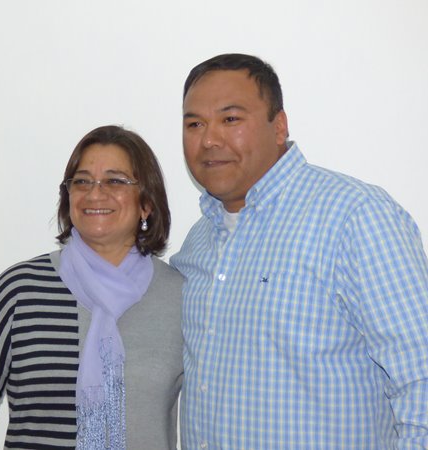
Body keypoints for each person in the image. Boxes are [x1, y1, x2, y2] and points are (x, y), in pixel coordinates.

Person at [171, 53, 428, 449]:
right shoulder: (197, 243)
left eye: (231, 119)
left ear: (279, 127)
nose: (209, 139)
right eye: (194, 124)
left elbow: (420, 378)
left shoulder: (354, 216)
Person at [0, 125, 183, 449]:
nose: (95, 193)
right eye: (82, 181)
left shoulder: (180, 297)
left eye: (115, 181)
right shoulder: (20, 291)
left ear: (147, 203)